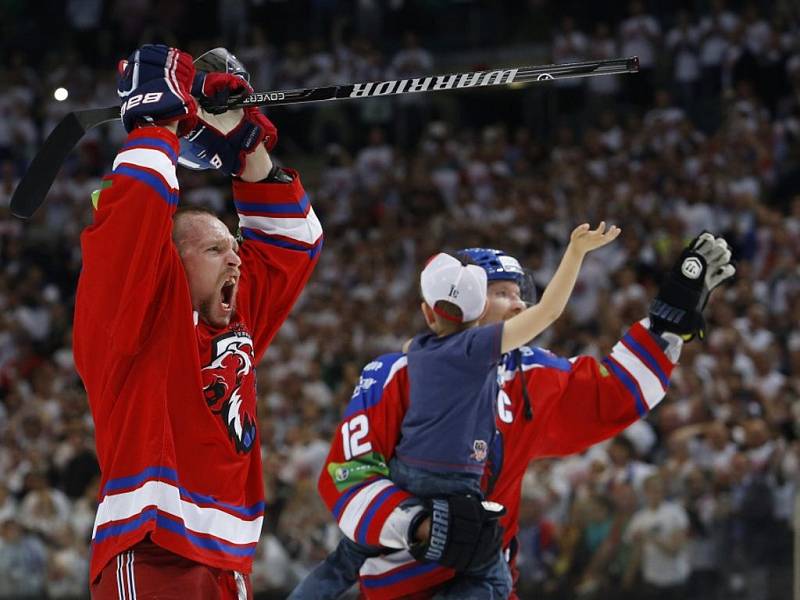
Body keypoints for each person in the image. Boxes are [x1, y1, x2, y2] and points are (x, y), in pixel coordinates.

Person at [294, 233, 734, 599]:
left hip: (486, 581)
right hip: (403, 582)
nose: (519, 305)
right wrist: (417, 524)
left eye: (521, 295)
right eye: (502, 293)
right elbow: (347, 474)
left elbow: (611, 397)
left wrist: (666, 327)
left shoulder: (531, 373)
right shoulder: (394, 374)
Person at [73, 45, 322, 599]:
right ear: (170, 265)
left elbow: (294, 244)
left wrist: (245, 144)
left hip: (228, 562)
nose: (236, 257)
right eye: (214, 249)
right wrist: (157, 118)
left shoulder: (235, 324)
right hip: (153, 549)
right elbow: (134, 214)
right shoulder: (133, 322)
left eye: (232, 245)